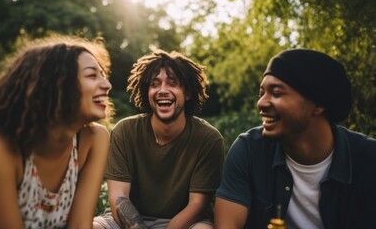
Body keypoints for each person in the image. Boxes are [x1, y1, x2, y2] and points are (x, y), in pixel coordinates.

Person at [0, 35, 113, 228]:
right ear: (55, 84)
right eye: (92, 76)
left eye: (103, 76)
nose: (107, 85)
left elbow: (79, 225)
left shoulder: (94, 139)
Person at [214, 49, 376, 229]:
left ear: (318, 104)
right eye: (262, 93)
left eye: (276, 93)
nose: (261, 103)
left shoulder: (368, 160)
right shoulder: (249, 150)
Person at [93, 50, 224, 229]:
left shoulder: (209, 138)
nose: (162, 90)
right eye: (155, 84)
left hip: (183, 223)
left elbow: (197, 205)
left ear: (187, 93)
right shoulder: (125, 131)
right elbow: (119, 197)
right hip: (127, 222)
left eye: (172, 83)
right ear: (147, 92)